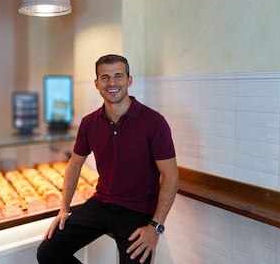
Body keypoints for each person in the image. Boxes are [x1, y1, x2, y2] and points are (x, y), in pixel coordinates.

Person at [37, 54, 179, 264]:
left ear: (129, 80)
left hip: (138, 211)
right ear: (96, 83)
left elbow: (171, 176)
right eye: (105, 77)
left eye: (118, 76)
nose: (112, 83)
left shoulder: (154, 122)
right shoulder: (89, 123)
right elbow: (75, 164)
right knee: (48, 252)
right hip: (101, 204)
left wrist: (155, 227)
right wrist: (64, 209)